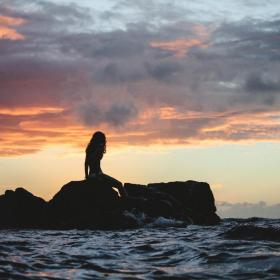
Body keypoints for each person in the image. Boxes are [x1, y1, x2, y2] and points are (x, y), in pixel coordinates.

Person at [85, 131, 127, 198]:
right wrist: (98, 176)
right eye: (103, 139)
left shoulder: (89, 149)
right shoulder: (98, 148)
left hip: (92, 175)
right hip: (97, 175)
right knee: (119, 184)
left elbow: (86, 163)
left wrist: (87, 176)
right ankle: (126, 200)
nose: (104, 141)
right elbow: (93, 163)